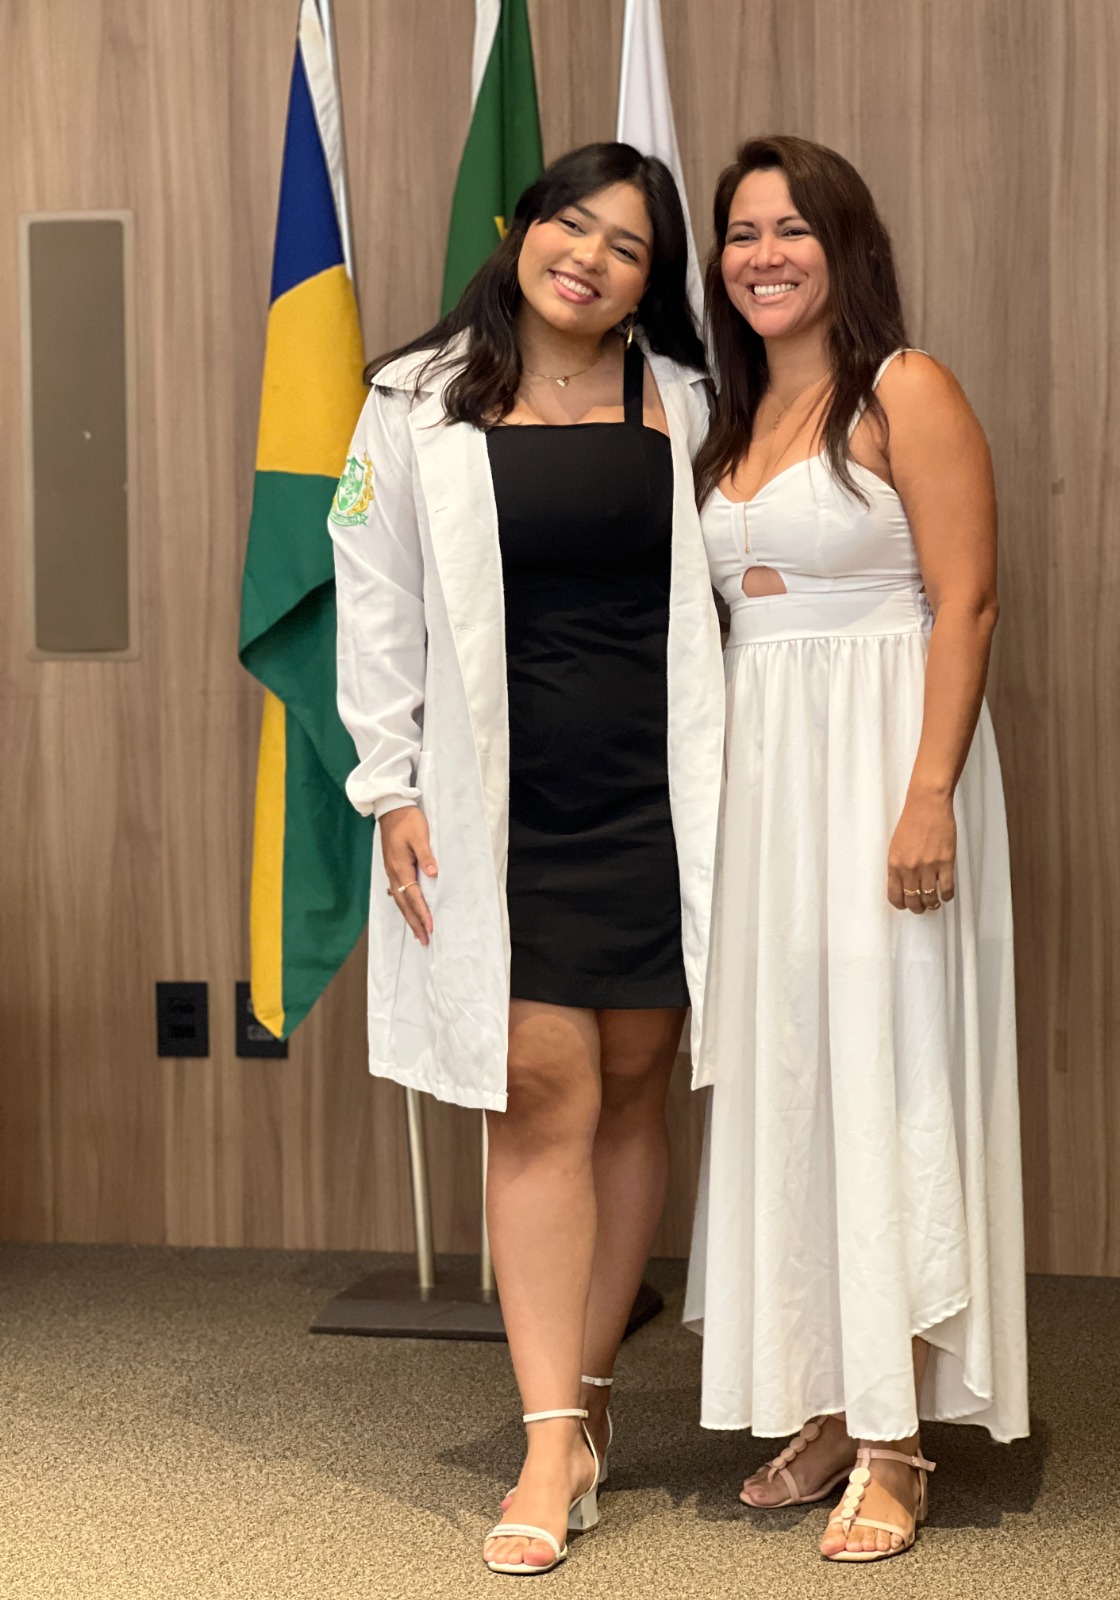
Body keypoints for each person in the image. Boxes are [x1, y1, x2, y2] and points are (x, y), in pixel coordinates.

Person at [329, 142, 724, 1576]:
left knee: (632, 1089)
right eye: (573, 223)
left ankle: (596, 1392)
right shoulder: (412, 400)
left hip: (664, 799)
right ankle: (549, 1442)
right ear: (522, 230)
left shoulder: (686, 399)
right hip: (504, 803)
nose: (590, 257)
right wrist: (390, 785)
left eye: (628, 245)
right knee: (540, 1091)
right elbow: (373, 601)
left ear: (649, 282)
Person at [683, 135, 1028, 1564]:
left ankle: (898, 1442)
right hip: (767, 789)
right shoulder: (726, 416)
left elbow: (968, 601)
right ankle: (830, 1397)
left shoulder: (904, 388)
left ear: (845, 245)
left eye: (792, 229)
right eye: (741, 233)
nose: (763, 255)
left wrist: (929, 791)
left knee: (890, 1076)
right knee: (795, 1078)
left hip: (887, 763)